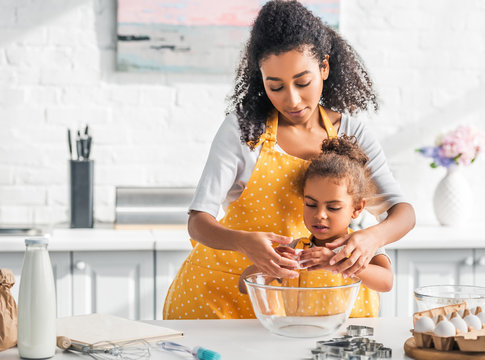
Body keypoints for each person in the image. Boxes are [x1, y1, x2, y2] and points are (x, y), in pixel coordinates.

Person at [163, 0, 415, 320]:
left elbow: (403, 213)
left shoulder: (350, 132)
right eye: (276, 86)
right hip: (219, 299)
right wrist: (244, 243)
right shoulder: (244, 130)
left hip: (294, 310)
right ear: (262, 79)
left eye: (302, 81)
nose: (292, 100)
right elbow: (198, 222)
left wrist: (372, 237)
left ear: (323, 67)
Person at [239, 135, 393, 317]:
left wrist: (335, 262)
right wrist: (274, 263)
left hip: (354, 341)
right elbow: (243, 284)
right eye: (311, 205)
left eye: (333, 207)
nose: (319, 215)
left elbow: (386, 282)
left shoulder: (362, 246)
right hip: (304, 337)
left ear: (357, 208)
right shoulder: (296, 249)